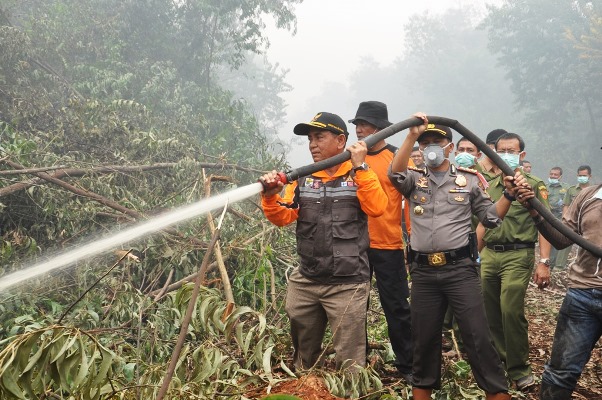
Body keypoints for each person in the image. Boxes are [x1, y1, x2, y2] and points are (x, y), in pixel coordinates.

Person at [388, 115, 528, 400]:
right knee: (424, 340)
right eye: (424, 143)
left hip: (460, 271)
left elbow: (490, 219)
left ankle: (497, 392)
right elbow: (394, 174)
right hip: (424, 274)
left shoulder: (470, 181)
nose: (430, 148)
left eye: (436, 143)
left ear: (449, 147)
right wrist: (410, 136)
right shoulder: (414, 179)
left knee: (478, 336)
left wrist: (509, 196)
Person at [259, 112, 387, 372]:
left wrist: (360, 167)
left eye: (319, 137)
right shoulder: (303, 178)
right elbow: (284, 217)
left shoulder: (360, 174)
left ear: (341, 141)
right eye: (309, 139)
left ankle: (351, 390)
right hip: (308, 278)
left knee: (350, 359)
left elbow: (377, 208)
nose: (312, 145)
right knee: (303, 350)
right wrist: (271, 197)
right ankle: (308, 384)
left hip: (347, 282)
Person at [477, 132, 552, 391]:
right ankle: (499, 361)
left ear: (521, 155)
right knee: (490, 311)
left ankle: (519, 369)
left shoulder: (533, 185)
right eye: (502, 150)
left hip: (518, 254)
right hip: (489, 253)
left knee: (510, 307)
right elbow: (480, 222)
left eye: (512, 150)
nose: (507, 154)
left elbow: (545, 226)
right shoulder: (488, 186)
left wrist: (544, 261)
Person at [348, 101, 413, 381]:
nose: (360, 130)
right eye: (358, 125)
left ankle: (409, 365)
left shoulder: (397, 158)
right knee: (353, 307)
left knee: (396, 306)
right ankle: (355, 364)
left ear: (381, 128)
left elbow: (412, 202)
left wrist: (414, 241)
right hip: (354, 246)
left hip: (388, 244)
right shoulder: (348, 159)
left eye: (366, 125)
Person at [528, 184, 602, 400]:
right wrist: (534, 210)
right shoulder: (589, 195)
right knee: (561, 372)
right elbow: (561, 239)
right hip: (583, 295)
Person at [547, 167, 570, 270]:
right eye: (551, 174)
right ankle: (549, 263)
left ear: (560, 176)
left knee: (558, 240)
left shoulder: (566, 188)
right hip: (548, 217)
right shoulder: (544, 187)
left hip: (560, 218)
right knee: (549, 240)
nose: (552, 176)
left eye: (555, 175)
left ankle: (558, 264)